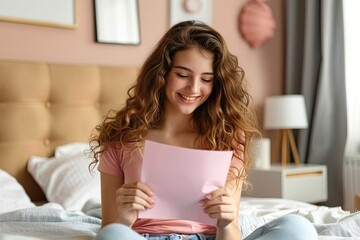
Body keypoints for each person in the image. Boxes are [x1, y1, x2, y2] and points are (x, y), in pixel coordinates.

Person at [90, 20, 317, 240]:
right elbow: (109, 231)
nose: (194, 88)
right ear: (162, 74)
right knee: (113, 235)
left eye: (206, 79)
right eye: (182, 75)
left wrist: (227, 224)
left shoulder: (227, 137)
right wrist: (125, 217)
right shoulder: (122, 136)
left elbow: (231, 233)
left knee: (298, 227)